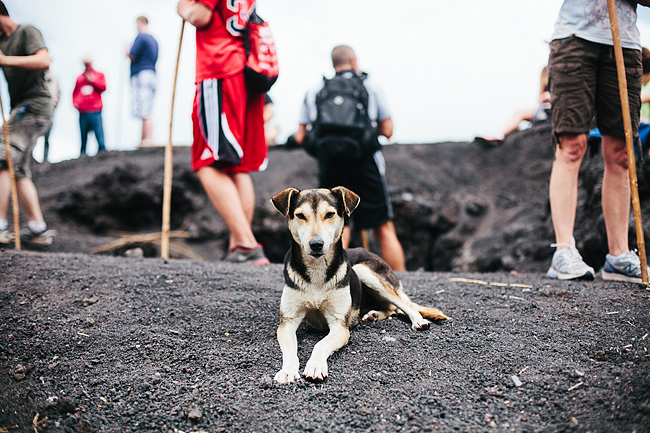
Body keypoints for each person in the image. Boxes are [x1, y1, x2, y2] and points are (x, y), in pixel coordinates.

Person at [546, 0, 650, 284]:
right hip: (574, 40)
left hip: (625, 46)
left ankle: (618, 256)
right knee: (572, 145)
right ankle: (563, 251)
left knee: (620, 151)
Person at [291, 45, 406, 271]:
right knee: (383, 226)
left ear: (333, 64)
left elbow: (301, 136)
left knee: (336, 224)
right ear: (354, 61)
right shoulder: (370, 87)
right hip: (365, 162)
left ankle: (334, 280)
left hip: (330, 165)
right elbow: (388, 130)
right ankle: (400, 283)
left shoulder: (316, 90)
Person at [177, 0, 269, 264]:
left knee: (206, 161)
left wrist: (183, 7)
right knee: (236, 166)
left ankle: (245, 243)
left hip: (218, 70)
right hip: (245, 73)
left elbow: (201, 16)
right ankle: (238, 245)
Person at [0, 1, 55, 246]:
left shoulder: (27, 31)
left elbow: (44, 61)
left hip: (34, 106)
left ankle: (0, 225)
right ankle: (37, 228)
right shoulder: (2, 43)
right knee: (18, 169)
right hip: (20, 108)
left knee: (3, 156)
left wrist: (6, 60)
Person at [475, 67, 550, 147]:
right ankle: (499, 135)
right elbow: (539, 97)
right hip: (543, 110)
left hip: (553, 111)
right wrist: (545, 97)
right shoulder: (546, 78)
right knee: (519, 113)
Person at [126, 16, 158, 148]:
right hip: (152, 74)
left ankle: (147, 139)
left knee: (144, 108)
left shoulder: (141, 37)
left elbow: (132, 55)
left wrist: (126, 49)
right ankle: (144, 139)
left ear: (140, 23)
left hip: (142, 74)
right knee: (147, 105)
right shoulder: (154, 41)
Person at [72, 55, 107, 156]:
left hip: (95, 110)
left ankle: (102, 153)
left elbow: (103, 87)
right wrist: (75, 102)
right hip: (83, 111)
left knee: (99, 133)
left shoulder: (99, 75)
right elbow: (75, 93)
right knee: (83, 135)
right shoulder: (79, 78)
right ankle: (83, 154)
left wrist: (92, 80)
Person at [42, 68, 59, 162]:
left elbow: (59, 93)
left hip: (50, 111)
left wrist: (55, 104)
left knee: (47, 136)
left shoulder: (54, 78)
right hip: (39, 110)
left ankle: (45, 158)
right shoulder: (37, 76)